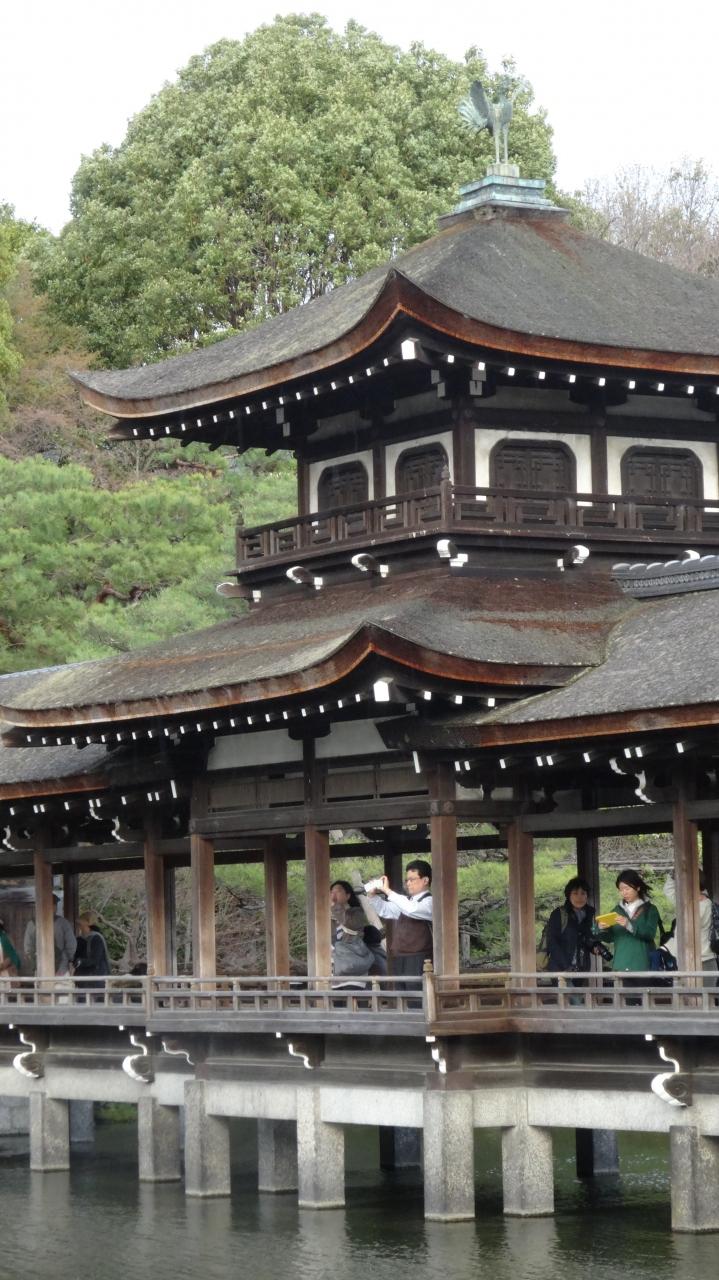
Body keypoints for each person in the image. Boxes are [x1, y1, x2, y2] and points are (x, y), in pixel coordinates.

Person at [366, 859, 433, 977]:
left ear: (425, 880)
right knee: (400, 989)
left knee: (416, 988)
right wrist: (372, 895)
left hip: (419, 957)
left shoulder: (430, 901)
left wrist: (387, 891)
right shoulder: (406, 902)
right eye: (407, 880)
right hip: (399, 956)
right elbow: (385, 910)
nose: (408, 883)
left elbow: (412, 909)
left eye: (412, 879)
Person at [594, 869, 660, 977]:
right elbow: (610, 938)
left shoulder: (650, 909)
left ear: (638, 888)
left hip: (642, 965)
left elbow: (650, 933)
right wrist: (601, 928)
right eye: (621, 890)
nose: (624, 892)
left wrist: (629, 925)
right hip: (621, 965)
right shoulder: (617, 910)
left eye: (627, 888)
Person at [662, 872, 717, 984]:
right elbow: (668, 890)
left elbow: (692, 922)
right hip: (686, 958)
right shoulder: (686, 901)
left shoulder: (705, 904)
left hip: (703, 959)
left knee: (705, 993)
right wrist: (673, 874)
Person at [545, 876, 597, 975]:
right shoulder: (559, 914)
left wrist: (594, 947)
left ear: (587, 896)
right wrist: (566, 967)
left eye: (583, 893)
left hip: (581, 968)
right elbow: (552, 942)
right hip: (560, 969)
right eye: (575, 893)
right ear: (568, 895)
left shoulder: (589, 914)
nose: (579, 897)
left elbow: (588, 938)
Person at [23, 893, 77, 975]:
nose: (55, 907)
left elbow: (28, 948)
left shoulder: (31, 924)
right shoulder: (63, 923)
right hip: (61, 967)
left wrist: (34, 961)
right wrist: (67, 958)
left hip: (40, 965)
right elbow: (71, 945)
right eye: (54, 905)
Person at [330, 881, 373, 979]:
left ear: (348, 896)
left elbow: (350, 925)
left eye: (338, 892)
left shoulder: (357, 912)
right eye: (331, 892)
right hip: (335, 964)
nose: (333, 895)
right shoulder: (330, 915)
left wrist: (334, 906)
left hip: (353, 962)